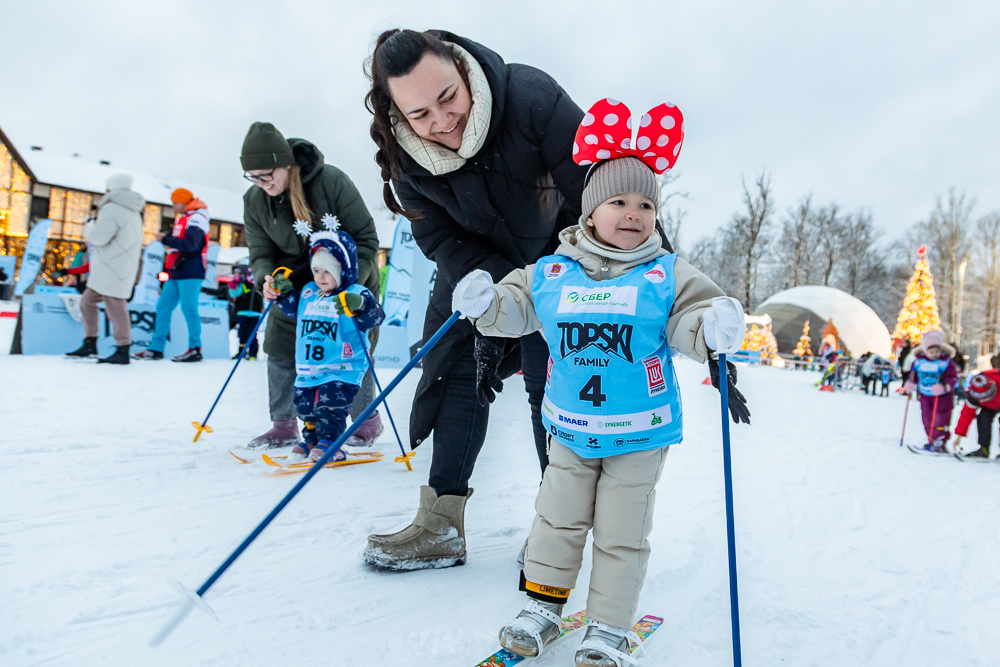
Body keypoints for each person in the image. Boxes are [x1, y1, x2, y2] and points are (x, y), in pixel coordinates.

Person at [451, 99, 750, 665]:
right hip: (570, 426)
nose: (633, 213)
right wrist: (487, 303)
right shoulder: (553, 271)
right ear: (590, 212)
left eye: (646, 204)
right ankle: (542, 607)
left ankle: (609, 625)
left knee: (621, 531)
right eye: (619, 201)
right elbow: (517, 306)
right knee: (556, 518)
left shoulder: (666, 273)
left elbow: (691, 318)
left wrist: (711, 328)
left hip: (640, 430)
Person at [362, 29, 592, 570]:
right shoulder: (404, 156)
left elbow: (600, 189)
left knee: (549, 389)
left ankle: (557, 530)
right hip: (473, 272)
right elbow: (437, 235)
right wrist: (495, 289)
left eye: (449, 97)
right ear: (398, 114)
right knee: (452, 373)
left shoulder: (531, 97)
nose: (443, 121)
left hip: (561, 261)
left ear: (464, 72)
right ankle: (440, 525)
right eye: (420, 114)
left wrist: (664, 284)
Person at [241, 122, 382, 450]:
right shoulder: (255, 200)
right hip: (297, 292)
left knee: (348, 353)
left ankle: (366, 421)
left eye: (267, 175)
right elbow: (260, 252)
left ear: (286, 164)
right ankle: (283, 424)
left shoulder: (331, 182)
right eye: (253, 177)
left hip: (346, 284)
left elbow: (366, 239)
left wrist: (347, 285)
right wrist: (267, 279)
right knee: (279, 348)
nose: (262, 183)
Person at [271, 229, 385, 462]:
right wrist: (283, 294)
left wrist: (360, 305)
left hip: (341, 368)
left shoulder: (355, 293)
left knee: (331, 408)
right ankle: (312, 440)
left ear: (343, 270)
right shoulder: (309, 292)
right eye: (316, 271)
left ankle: (332, 443)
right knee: (305, 408)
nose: (321, 277)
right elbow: (294, 310)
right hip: (309, 369)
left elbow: (375, 317)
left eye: (328, 271)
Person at [65, 174, 145, 364]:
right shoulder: (133, 211)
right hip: (118, 266)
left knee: (115, 305)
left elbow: (99, 237)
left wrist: (88, 226)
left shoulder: (112, 208)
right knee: (88, 301)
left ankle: (122, 348)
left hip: (111, 266)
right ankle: (90, 342)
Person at [134, 188, 209, 362]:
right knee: (163, 307)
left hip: (191, 270)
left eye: (175, 203)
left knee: (189, 309)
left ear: (183, 202)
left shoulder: (197, 218)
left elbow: (192, 245)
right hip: (177, 270)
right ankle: (156, 348)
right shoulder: (187, 218)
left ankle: (195, 348)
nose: (173, 207)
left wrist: (165, 239)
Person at [902, 330, 958, 451]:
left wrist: (944, 387)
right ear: (925, 350)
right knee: (927, 418)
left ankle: (940, 441)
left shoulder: (945, 362)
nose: (934, 354)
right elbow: (913, 375)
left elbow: (952, 377)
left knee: (940, 419)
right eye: (931, 352)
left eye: (937, 351)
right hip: (925, 395)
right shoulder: (918, 362)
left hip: (942, 398)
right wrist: (910, 383)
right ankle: (931, 439)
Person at [952, 354, 1000, 458]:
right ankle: (984, 448)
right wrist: (958, 437)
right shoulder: (974, 392)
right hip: (989, 406)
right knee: (983, 418)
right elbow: (966, 415)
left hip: (998, 399)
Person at [228, 265, 262, 360]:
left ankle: (252, 354)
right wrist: (234, 285)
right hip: (242, 312)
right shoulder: (243, 284)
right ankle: (241, 352)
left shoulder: (259, 285)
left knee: (252, 333)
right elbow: (234, 295)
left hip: (255, 313)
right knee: (242, 332)